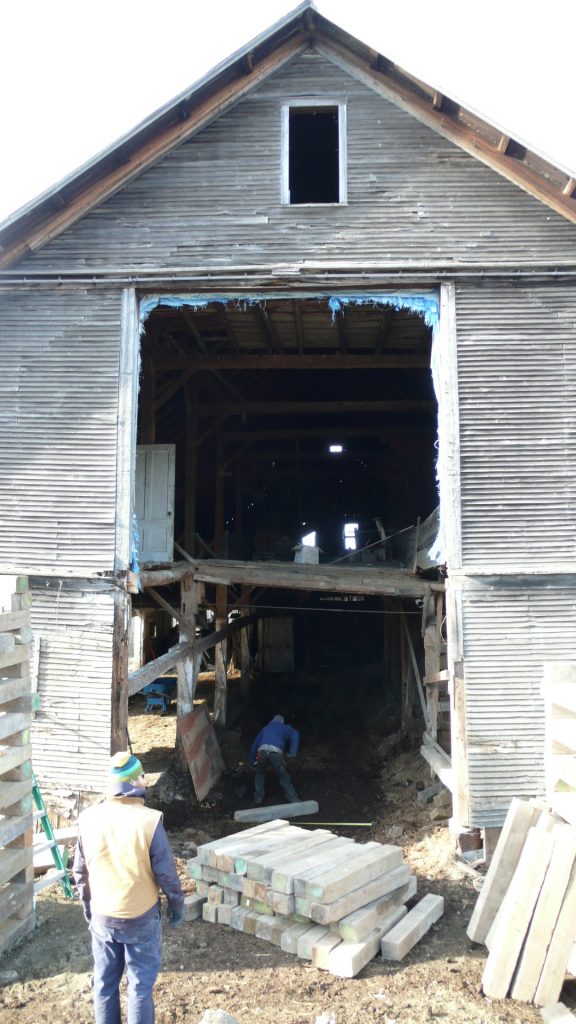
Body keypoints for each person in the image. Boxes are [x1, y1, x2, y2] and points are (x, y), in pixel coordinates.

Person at [73, 751, 185, 1024]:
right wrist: (176, 906)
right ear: (133, 782)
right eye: (142, 776)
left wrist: (89, 907)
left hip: (103, 917)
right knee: (139, 988)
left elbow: (79, 872)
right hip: (141, 918)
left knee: (105, 985)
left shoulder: (88, 818)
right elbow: (167, 875)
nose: (146, 781)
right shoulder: (149, 820)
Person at [249, 714, 300, 805]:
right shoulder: (285, 727)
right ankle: (293, 798)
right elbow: (295, 734)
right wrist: (292, 753)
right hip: (276, 753)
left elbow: (254, 745)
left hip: (262, 752)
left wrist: (252, 761)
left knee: (259, 773)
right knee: (283, 775)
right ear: (282, 722)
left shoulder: (265, 728)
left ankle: (258, 797)